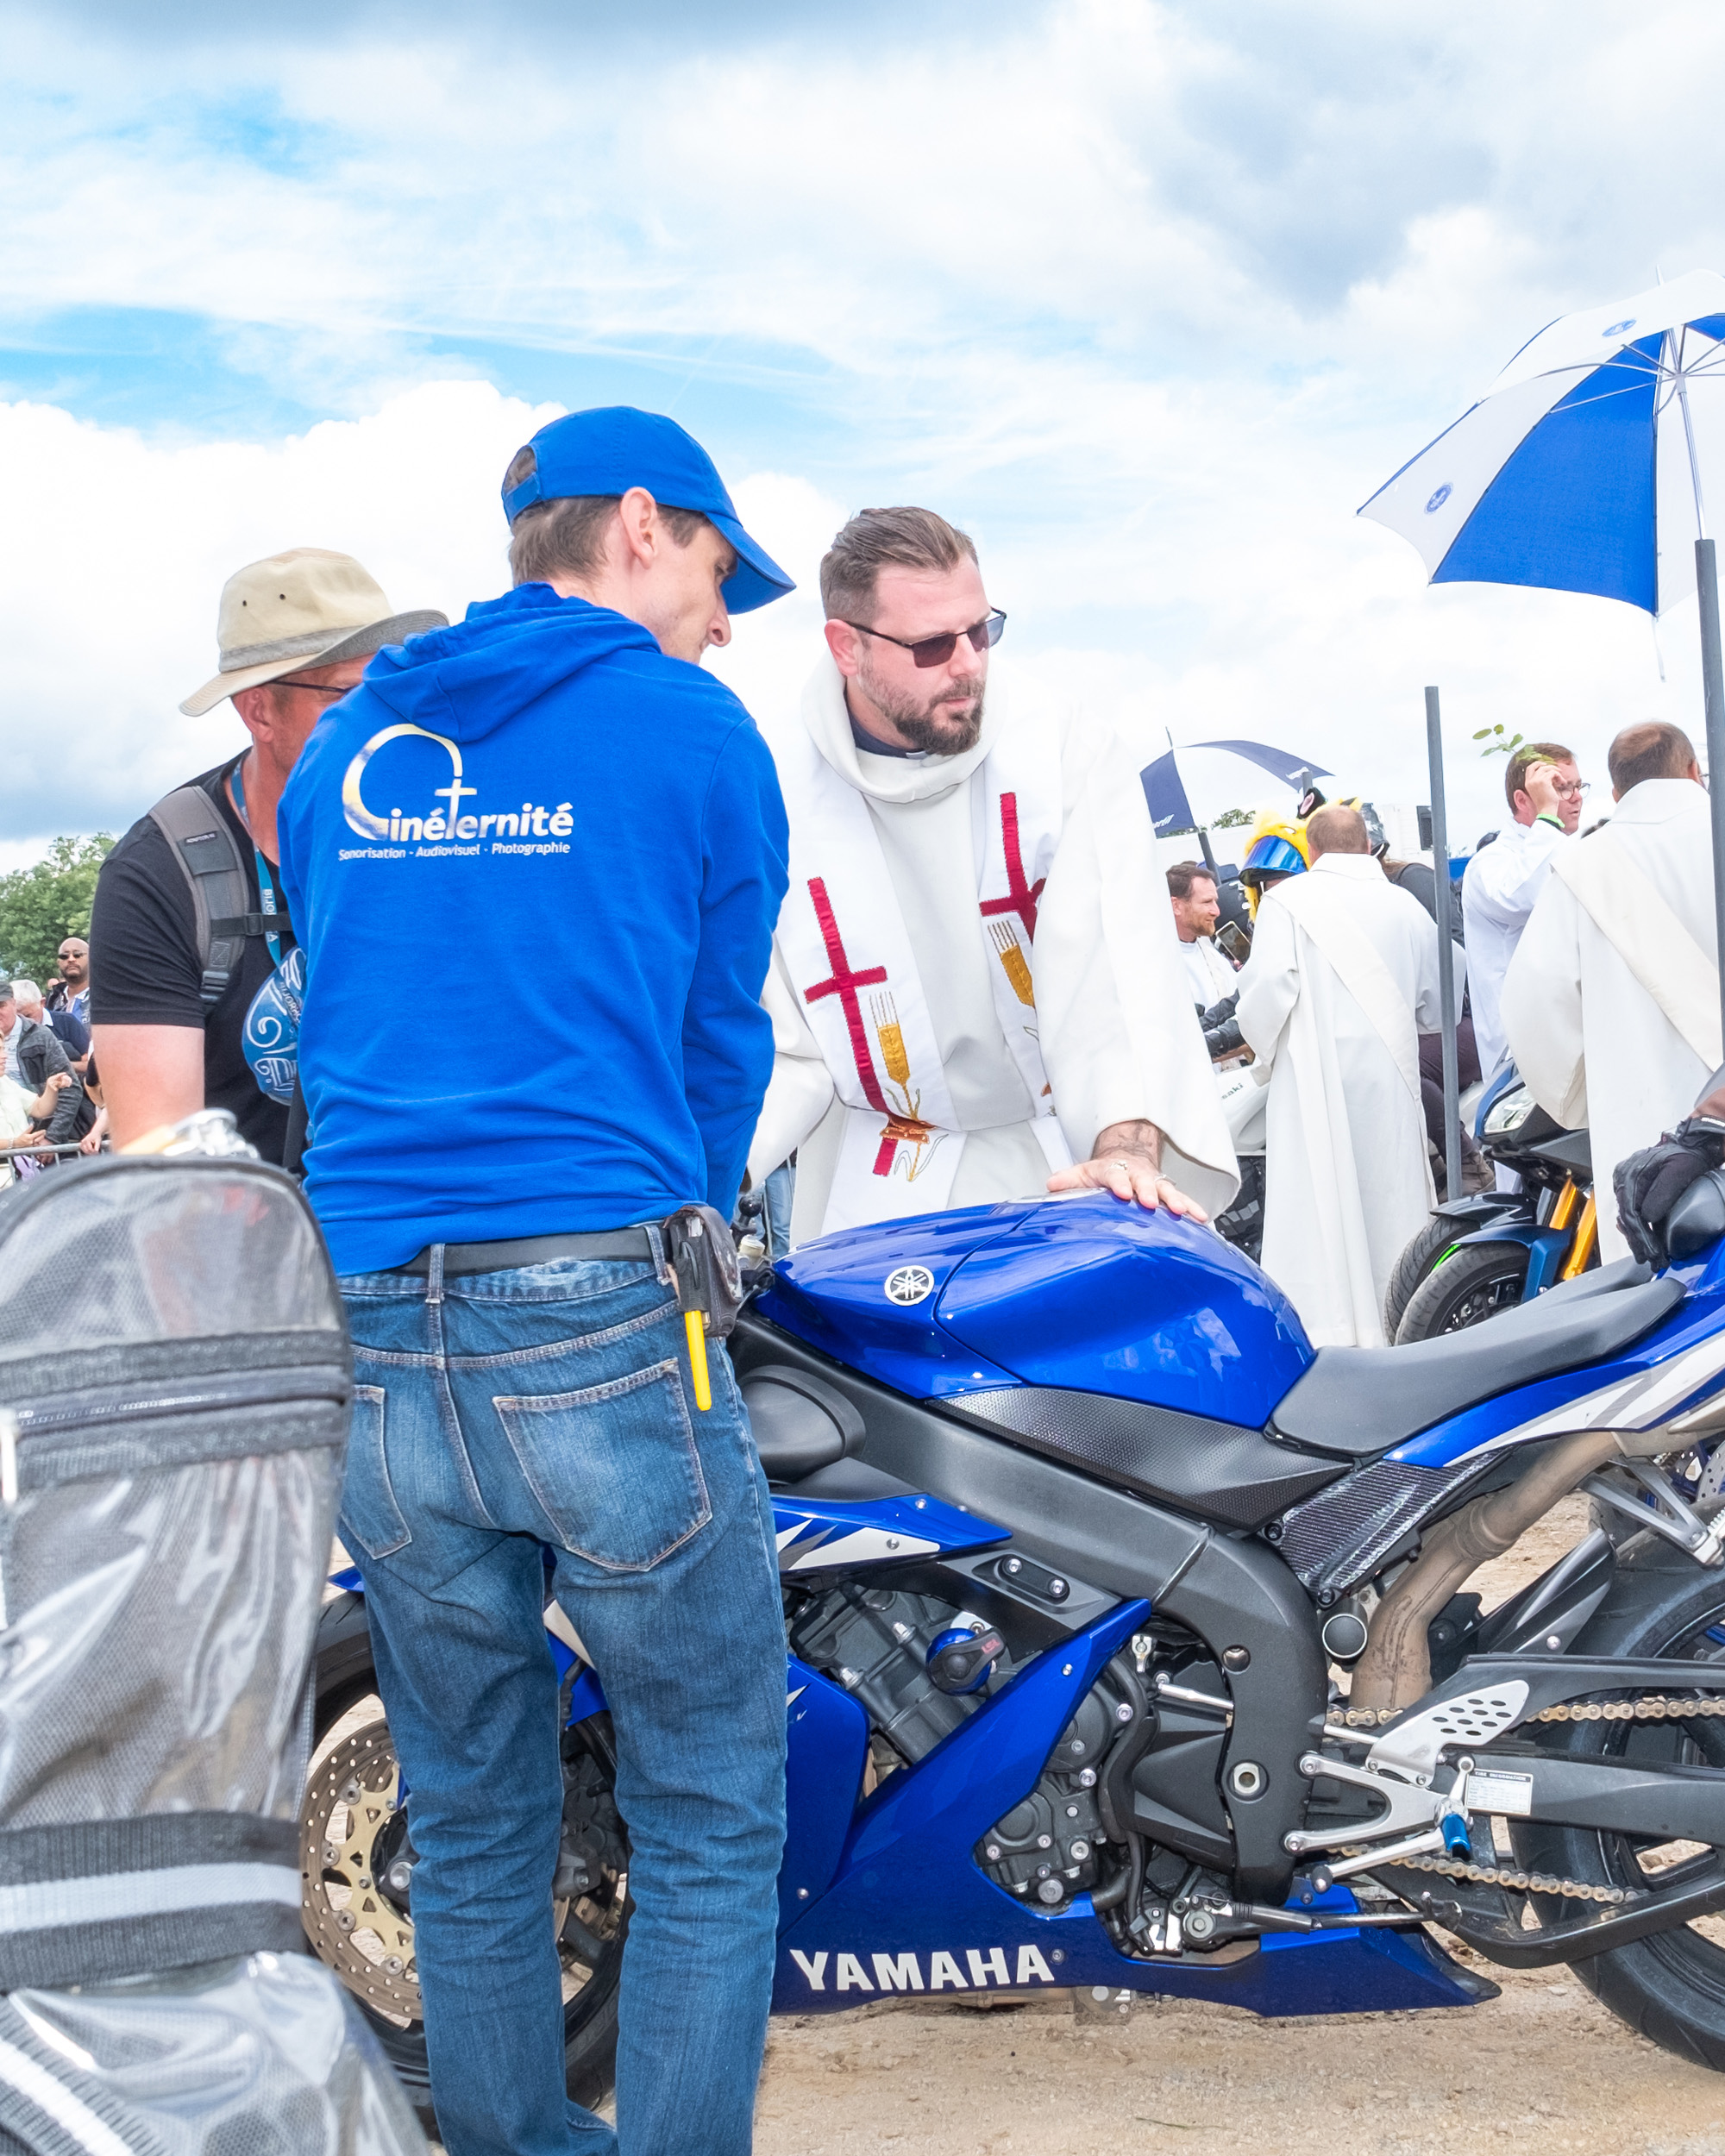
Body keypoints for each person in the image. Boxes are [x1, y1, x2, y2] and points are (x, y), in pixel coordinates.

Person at [276, 405, 795, 2156]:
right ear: (641, 524)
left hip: (378, 1328)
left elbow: (332, 1025)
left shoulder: (348, 747)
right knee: (711, 1801)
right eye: (719, 569)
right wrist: (691, 1219)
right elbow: (718, 1047)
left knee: (473, 1803)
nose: (724, 616)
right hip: (595, 1314)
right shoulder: (689, 729)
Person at [746, 505, 1234, 1244]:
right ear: (846, 647)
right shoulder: (773, 786)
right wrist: (701, 1175)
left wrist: (1124, 1146)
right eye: (934, 644)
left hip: (1061, 1166)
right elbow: (776, 1033)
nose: (970, 663)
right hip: (875, 1181)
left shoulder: (1060, 745)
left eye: (982, 630)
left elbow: (1116, 977)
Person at [90, 550, 446, 1162]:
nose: (379, 720)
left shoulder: (445, 826)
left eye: (393, 692)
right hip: (256, 1238)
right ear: (258, 710)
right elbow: (160, 1153)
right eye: (349, 696)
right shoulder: (160, 872)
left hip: (424, 1223)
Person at [1235, 805, 1458, 1346]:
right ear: (1367, 846)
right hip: (1389, 1079)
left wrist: (1265, 1061)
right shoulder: (1404, 905)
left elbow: (1263, 999)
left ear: (1310, 852)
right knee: (1392, 1193)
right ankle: (1404, 1317)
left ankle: (1331, 1328)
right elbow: (1441, 1004)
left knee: (1323, 1199)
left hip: (1315, 1081)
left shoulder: (1287, 902)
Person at [1502, 720, 1716, 1266]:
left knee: (1663, 1305)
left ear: (1617, 792)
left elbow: (1535, 1008)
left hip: (1646, 1124)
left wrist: (1580, 1098)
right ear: (1693, 771)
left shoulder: (1581, 867)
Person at [1461, 739, 1584, 1081]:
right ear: (1523, 799)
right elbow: (1524, 895)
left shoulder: (1568, 848)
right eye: (1561, 788)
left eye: (1577, 786)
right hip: (1520, 1051)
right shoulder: (1490, 864)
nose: (1576, 797)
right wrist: (1547, 818)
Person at [0, 981, 85, 1157]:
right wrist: (14, 1144)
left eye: (1, 1005)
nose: (4, 1056)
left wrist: (51, 1139)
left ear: (14, 1004)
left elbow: (46, 1104)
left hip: (36, 1147)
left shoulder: (40, 1036)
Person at [1167, 861, 1237, 1010]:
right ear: (1176, 906)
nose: (1216, 912)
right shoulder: (1154, 965)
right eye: (1207, 902)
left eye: (1215, 902)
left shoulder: (1216, 960)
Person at [42, 943, 91, 1062]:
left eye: (77, 955)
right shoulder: (52, 998)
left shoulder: (104, 997)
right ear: (58, 962)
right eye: (64, 956)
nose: (71, 959)